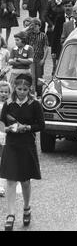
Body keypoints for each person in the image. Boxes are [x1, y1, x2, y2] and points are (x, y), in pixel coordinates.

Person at [0, 73, 45, 231]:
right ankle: (10, 215)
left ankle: (27, 207)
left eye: (25, 89)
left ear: (30, 89)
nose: (21, 92)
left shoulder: (35, 104)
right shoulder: (8, 103)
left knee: (25, 181)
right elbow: (1, 121)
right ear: (15, 87)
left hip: (27, 144)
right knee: (11, 180)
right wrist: (7, 128)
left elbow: (41, 125)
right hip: (11, 144)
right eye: (19, 88)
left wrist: (26, 127)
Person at [45, 0, 66, 75]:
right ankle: (54, 65)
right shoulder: (50, 2)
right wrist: (51, 24)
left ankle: (59, 65)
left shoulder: (65, 2)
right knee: (53, 47)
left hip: (62, 27)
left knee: (61, 46)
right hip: (53, 28)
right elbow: (45, 15)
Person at [26, 19, 49, 97]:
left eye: (36, 25)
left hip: (39, 58)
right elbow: (21, 35)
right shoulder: (29, 34)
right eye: (33, 25)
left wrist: (44, 59)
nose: (34, 27)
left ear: (39, 26)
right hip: (31, 58)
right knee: (32, 76)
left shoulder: (43, 35)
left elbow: (46, 47)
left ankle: (39, 94)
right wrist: (28, 28)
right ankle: (32, 93)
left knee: (39, 77)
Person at [0, 81, 11, 197]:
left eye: (6, 92)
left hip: (5, 136)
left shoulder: (9, 105)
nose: (3, 94)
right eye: (1, 91)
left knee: (2, 161)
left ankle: (1, 186)